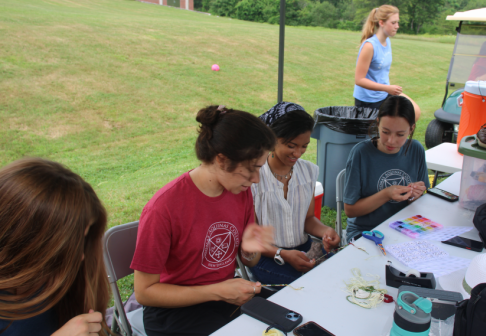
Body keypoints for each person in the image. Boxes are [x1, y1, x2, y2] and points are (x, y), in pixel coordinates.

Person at [131, 105, 277, 336]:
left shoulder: (241, 191)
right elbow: (145, 292)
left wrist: (250, 250)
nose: (256, 179)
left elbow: (249, 261)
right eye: (251, 169)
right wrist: (217, 292)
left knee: (290, 319)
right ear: (221, 159)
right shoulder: (164, 208)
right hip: (174, 311)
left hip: (224, 298)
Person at [0, 158, 111, 336]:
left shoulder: (59, 282)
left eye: (83, 239)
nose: (81, 256)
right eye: (65, 247)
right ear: (21, 241)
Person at [251, 102, 341, 285]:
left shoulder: (307, 172)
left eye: (304, 146)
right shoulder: (253, 178)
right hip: (266, 256)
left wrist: (326, 231)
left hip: (302, 249)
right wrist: (281, 253)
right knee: (313, 284)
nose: (298, 153)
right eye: (291, 145)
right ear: (273, 139)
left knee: (340, 271)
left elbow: (308, 220)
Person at [343, 95, 430, 242]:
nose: (391, 141)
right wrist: (387, 194)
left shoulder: (416, 150)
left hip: (404, 228)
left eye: (400, 134)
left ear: (411, 129)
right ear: (377, 124)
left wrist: (416, 194)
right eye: (385, 131)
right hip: (367, 230)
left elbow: (418, 203)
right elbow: (350, 210)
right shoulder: (361, 153)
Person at [353, 5, 421, 120]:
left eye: (397, 22)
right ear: (381, 23)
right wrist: (387, 88)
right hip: (368, 101)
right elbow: (359, 80)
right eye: (393, 23)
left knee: (415, 112)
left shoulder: (387, 41)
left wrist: (387, 89)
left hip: (384, 94)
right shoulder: (369, 46)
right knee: (379, 134)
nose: (397, 26)